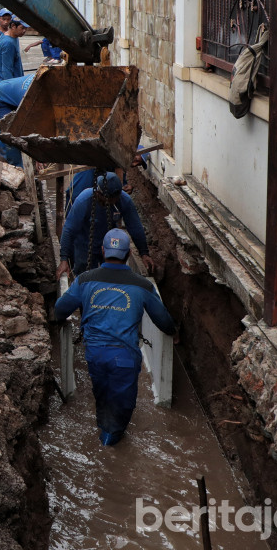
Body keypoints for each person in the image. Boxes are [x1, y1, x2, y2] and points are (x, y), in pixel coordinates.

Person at [54, 229, 176, 445]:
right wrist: (174, 334)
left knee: (102, 398)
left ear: (102, 250)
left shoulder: (84, 280)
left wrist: (57, 320)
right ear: (129, 254)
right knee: (121, 407)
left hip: (95, 354)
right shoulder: (142, 286)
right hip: (125, 358)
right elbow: (163, 321)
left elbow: (61, 308)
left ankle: (105, 438)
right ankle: (111, 441)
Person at [58, 171, 147, 278]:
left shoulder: (125, 201)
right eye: (103, 199)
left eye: (110, 200)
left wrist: (144, 253)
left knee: (111, 276)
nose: (106, 203)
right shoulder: (84, 200)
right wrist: (64, 259)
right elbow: (69, 229)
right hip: (85, 244)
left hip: (110, 244)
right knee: (84, 276)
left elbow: (135, 228)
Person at [0, 73, 35, 166]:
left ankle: (3, 153)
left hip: (9, 91)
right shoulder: (30, 97)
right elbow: (30, 124)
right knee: (11, 130)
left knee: (9, 127)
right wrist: (38, 154)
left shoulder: (41, 81)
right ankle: (16, 165)